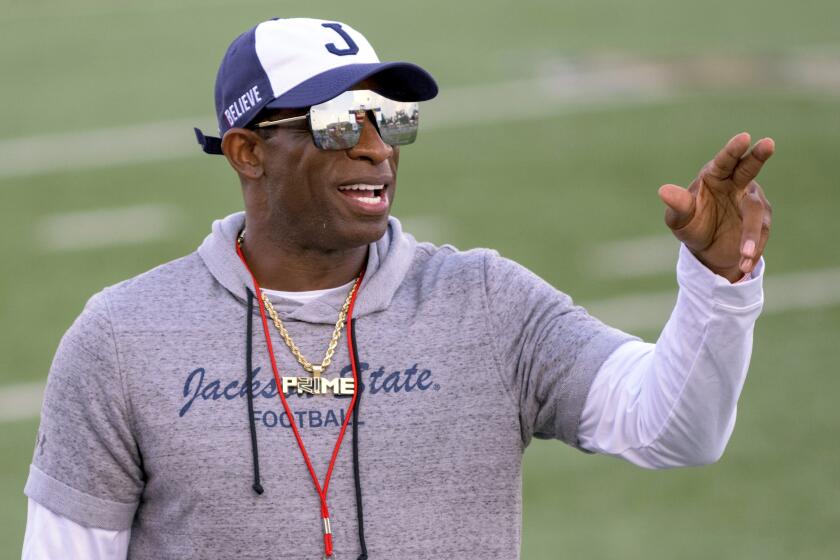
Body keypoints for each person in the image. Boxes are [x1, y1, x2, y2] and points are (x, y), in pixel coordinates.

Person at [22, 17, 773, 560]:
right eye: (343, 122)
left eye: (391, 118)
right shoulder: (122, 338)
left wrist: (718, 283)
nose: (379, 147)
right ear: (249, 151)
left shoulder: (488, 302)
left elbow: (675, 431)